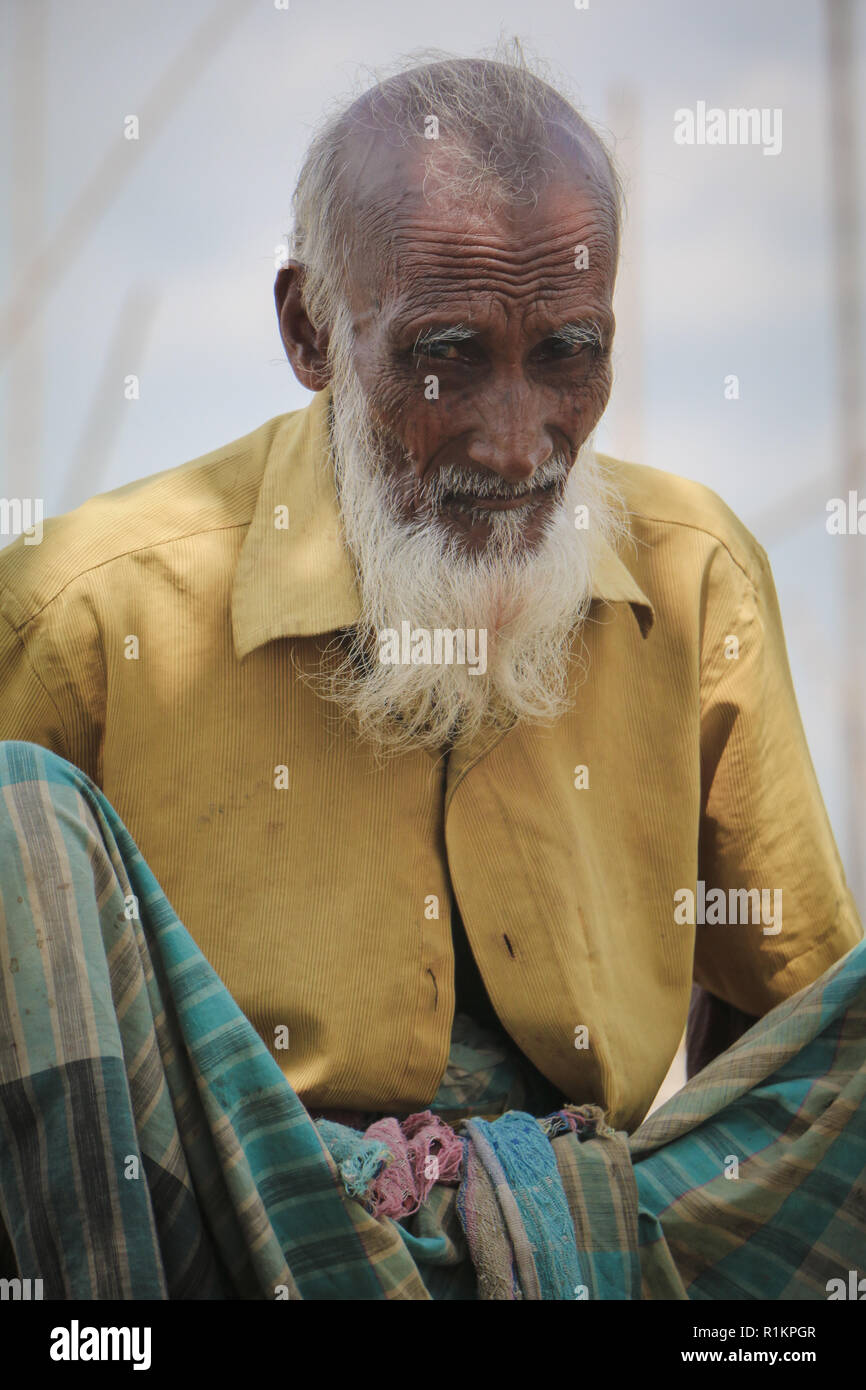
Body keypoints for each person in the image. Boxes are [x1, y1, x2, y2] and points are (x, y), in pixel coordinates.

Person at [0, 47, 860, 1158]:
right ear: (310, 331)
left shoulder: (695, 581)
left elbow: (794, 1045)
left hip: (597, 1230)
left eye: (567, 353)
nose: (513, 444)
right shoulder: (80, 609)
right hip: (217, 1227)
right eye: (445, 356)